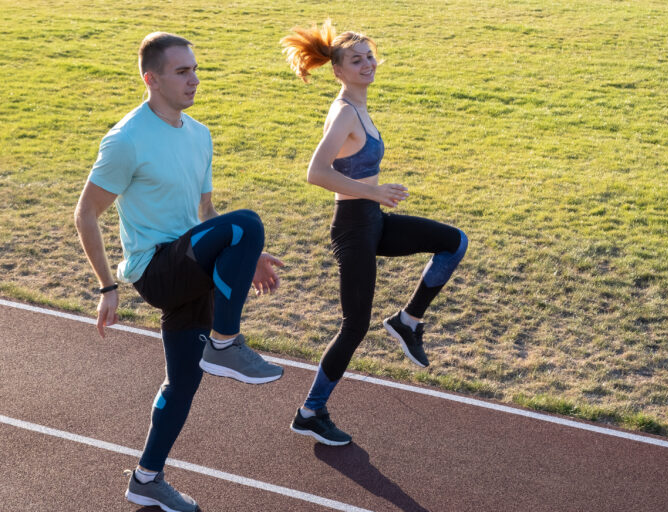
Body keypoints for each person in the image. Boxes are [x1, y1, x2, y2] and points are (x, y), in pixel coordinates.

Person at [74, 32, 285, 512]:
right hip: (157, 270)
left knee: (183, 384)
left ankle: (146, 479)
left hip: (192, 267)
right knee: (248, 221)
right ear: (152, 79)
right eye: (181, 71)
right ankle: (226, 343)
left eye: (195, 69)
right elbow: (85, 214)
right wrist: (108, 286)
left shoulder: (199, 134)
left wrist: (247, 255)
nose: (193, 79)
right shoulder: (126, 139)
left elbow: (206, 213)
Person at [280, 20, 468, 446]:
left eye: (369, 56)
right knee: (355, 324)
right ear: (338, 70)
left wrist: (374, 198)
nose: (367, 64)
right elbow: (316, 173)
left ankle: (407, 321)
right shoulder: (346, 110)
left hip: (373, 222)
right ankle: (311, 410)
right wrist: (374, 191)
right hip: (353, 227)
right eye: (356, 60)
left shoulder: (359, 106)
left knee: (453, 242)